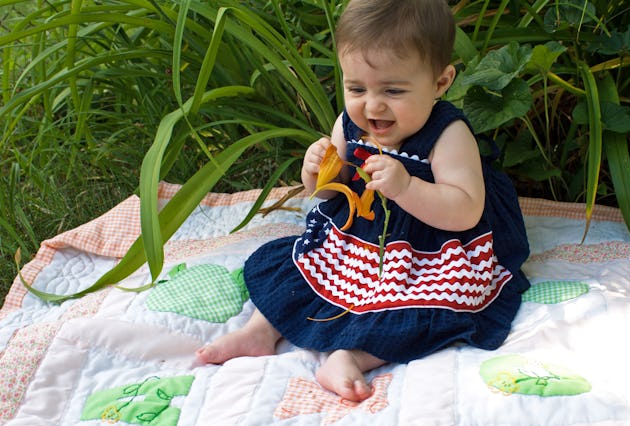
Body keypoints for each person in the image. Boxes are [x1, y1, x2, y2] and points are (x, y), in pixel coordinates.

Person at [196, 0, 530, 402]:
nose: (372, 105)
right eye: (356, 88)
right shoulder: (350, 122)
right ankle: (258, 333)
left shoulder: (448, 133)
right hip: (358, 237)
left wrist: (407, 188)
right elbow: (323, 193)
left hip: (431, 249)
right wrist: (316, 170)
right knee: (302, 272)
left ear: (440, 83)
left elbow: (465, 210)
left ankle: (351, 356)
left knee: (434, 307)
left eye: (393, 90)